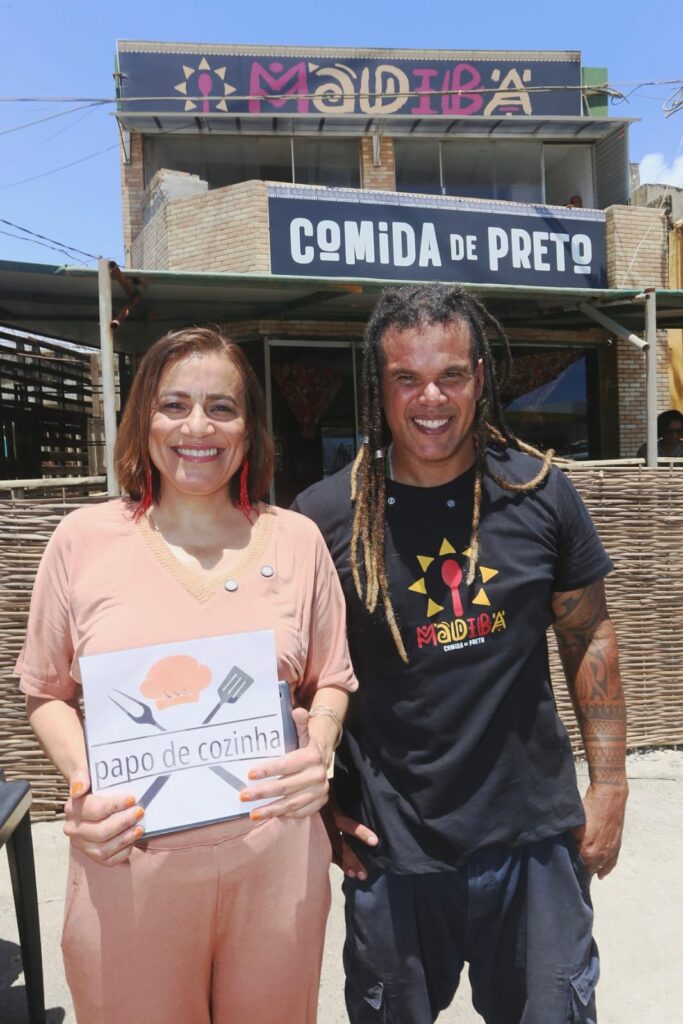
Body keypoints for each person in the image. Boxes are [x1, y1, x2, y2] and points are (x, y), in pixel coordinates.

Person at [293, 284, 628, 1024]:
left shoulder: (538, 493)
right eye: (406, 378)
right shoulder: (324, 518)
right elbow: (295, 679)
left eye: (450, 375)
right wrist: (317, 806)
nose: (431, 398)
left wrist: (610, 784)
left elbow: (588, 634)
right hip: (392, 847)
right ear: (377, 386)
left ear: (479, 377)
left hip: (534, 840)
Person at [18, 326, 357, 1024]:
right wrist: (85, 783)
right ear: (142, 419)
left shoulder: (296, 541)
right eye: (174, 405)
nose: (197, 427)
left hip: (275, 862)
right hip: (127, 859)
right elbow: (45, 692)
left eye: (220, 408)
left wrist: (320, 749)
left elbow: (331, 678)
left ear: (248, 428)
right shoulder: (82, 542)